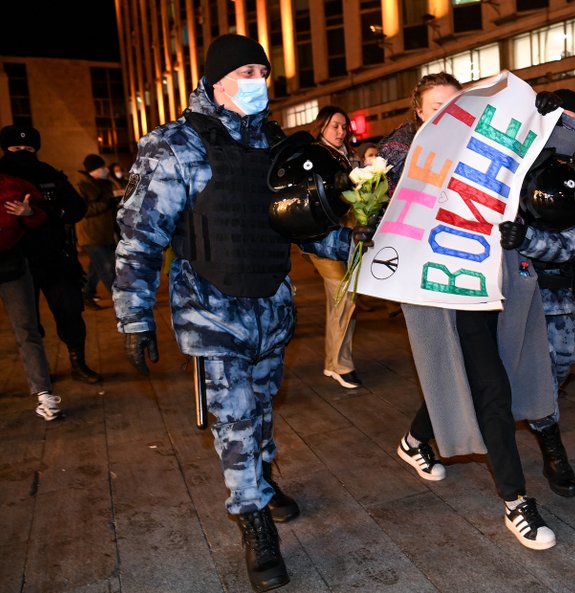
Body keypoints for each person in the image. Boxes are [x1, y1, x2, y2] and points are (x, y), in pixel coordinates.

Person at [112, 34, 353, 592]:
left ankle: (262, 482)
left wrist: (367, 246)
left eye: (264, 73)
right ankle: (253, 519)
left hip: (269, 305)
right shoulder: (176, 145)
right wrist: (134, 315)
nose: (258, 82)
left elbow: (306, 226)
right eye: (247, 71)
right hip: (210, 310)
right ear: (216, 79)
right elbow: (140, 236)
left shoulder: (275, 144)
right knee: (237, 420)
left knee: (263, 411)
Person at [379, 72, 575, 550]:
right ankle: (516, 500)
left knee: (470, 373)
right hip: (439, 291)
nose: (445, 114)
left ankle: (413, 440)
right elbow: (380, 223)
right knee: (488, 383)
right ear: (419, 115)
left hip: (493, 281)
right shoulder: (403, 161)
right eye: (434, 107)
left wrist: (551, 113)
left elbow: (571, 143)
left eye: (454, 104)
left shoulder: (495, 151)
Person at [500, 88, 575, 498]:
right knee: (493, 367)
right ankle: (552, 450)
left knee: (561, 359)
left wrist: (529, 240)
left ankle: (540, 420)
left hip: (560, 289)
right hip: (511, 284)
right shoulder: (524, 162)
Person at [0, 125, 101, 384]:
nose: (23, 153)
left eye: (29, 149)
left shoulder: (48, 174)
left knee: (69, 311)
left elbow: (76, 207)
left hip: (54, 257)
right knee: (27, 322)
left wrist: (42, 211)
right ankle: (40, 371)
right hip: (14, 263)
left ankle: (78, 362)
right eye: (16, 148)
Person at [303, 106, 362, 389]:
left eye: (343, 126)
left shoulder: (348, 156)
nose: (340, 131)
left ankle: (335, 360)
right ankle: (338, 364)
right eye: (334, 126)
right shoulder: (315, 155)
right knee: (344, 294)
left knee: (345, 298)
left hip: (348, 236)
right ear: (322, 126)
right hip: (321, 239)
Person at [0, 174, 63, 420]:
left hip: (11, 264)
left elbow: (42, 213)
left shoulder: (12, 184)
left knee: (27, 329)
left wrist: (29, 213)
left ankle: (44, 394)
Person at [75, 154, 118, 309]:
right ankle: (122, 301)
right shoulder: (81, 185)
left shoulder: (104, 183)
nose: (107, 169)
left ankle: (86, 294)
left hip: (104, 234)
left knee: (95, 267)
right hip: (91, 235)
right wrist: (106, 204)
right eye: (102, 168)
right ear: (93, 170)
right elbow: (82, 209)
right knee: (107, 267)